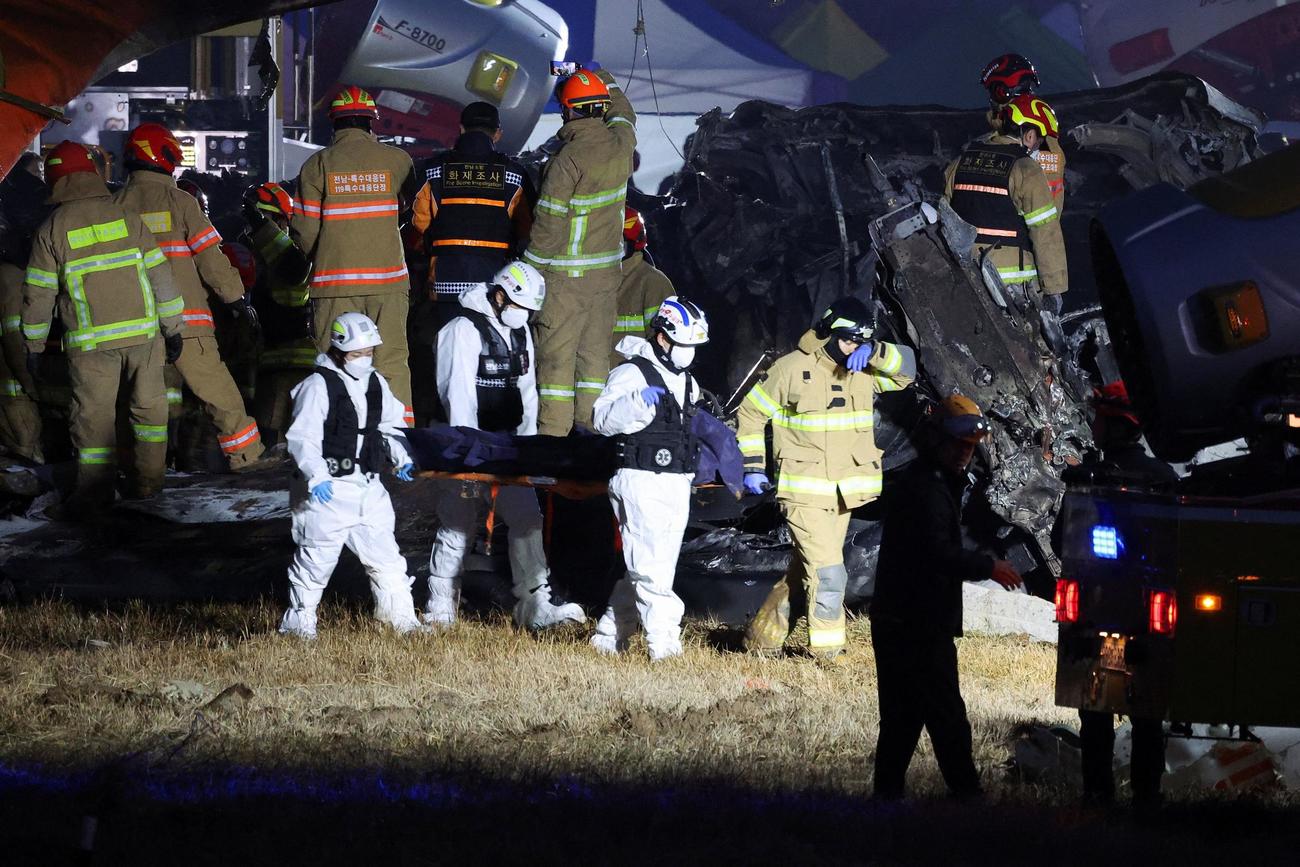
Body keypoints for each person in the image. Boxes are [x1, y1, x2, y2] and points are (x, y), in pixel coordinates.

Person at [739, 297, 916, 660]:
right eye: (849, 339)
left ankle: (760, 640)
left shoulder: (863, 370)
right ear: (829, 332)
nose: (853, 347)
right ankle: (827, 654)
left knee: (805, 572)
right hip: (803, 493)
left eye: (860, 341)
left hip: (841, 493)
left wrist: (874, 352)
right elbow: (752, 412)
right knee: (830, 574)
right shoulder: (790, 369)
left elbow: (907, 370)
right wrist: (753, 465)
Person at [869, 394, 1024, 800]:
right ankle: (968, 797)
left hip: (903, 618)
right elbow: (936, 552)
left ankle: (887, 797)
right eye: (958, 445)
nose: (964, 454)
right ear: (937, 439)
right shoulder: (927, 489)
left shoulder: (933, 483)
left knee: (904, 717)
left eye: (971, 447)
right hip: (915, 623)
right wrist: (988, 566)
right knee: (945, 715)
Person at [21, 141, 185, 512]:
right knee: (148, 413)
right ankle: (148, 485)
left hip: (91, 345)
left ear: (55, 180)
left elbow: (38, 296)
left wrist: (32, 347)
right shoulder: (126, 216)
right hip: (144, 336)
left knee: (94, 421)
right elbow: (161, 275)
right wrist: (173, 327)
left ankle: (94, 494)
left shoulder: (52, 229)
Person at [425, 260, 586, 629]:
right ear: (499, 295)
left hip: (507, 445)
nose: (524, 315)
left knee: (527, 518)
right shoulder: (462, 331)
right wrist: (470, 454)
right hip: (464, 444)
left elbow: (527, 392)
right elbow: (458, 396)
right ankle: (440, 607)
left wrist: (526, 450)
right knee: (458, 522)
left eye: (529, 310)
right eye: (520, 306)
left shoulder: (519, 332)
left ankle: (535, 601)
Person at [114, 123, 269, 471]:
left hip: (135, 327)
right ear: (165, 155)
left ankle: (143, 475)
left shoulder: (114, 206)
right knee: (220, 396)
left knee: (141, 403)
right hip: (188, 325)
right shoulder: (180, 202)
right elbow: (211, 257)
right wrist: (236, 299)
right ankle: (248, 459)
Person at [279, 312, 427, 639]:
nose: (364, 359)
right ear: (339, 352)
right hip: (329, 490)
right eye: (357, 354)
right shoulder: (317, 386)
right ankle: (299, 623)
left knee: (386, 556)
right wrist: (317, 478)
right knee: (316, 559)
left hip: (368, 488)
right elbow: (303, 438)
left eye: (369, 352)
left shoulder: (376, 383)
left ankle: (400, 618)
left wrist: (401, 457)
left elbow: (389, 425)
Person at [590, 296, 712, 661]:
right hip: (639, 479)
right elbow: (602, 421)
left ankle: (609, 635)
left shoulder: (687, 381)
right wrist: (637, 403)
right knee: (650, 569)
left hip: (675, 483)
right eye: (685, 345)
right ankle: (666, 648)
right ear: (663, 338)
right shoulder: (631, 374)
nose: (690, 353)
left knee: (653, 565)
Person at [292, 86, 421, 425]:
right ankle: (399, 440)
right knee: (392, 361)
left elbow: (304, 232)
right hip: (388, 283)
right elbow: (412, 214)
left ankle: (340, 437)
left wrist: (324, 256)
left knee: (335, 363)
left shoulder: (317, 165)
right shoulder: (398, 161)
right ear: (370, 123)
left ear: (334, 124)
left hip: (334, 285)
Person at [524, 66, 636, 435]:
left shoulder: (567, 160)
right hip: (605, 281)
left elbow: (549, 225)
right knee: (593, 365)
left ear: (568, 111)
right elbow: (625, 113)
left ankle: (552, 448)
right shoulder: (622, 144)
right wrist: (599, 74)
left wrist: (528, 271)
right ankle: (592, 442)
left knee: (555, 366)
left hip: (564, 282)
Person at [408, 101, 535, 424]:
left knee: (446, 365)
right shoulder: (515, 176)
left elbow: (417, 227)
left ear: (461, 129)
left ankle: (442, 432)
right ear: (498, 134)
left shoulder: (433, 170)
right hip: (498, 293)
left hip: (446, 288)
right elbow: (527, 231)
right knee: (494, 364)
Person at [1077, 380, 1171, 808]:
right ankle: (1146, 799)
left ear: (1114, 426)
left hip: (1097, 607)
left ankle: (1097, 796)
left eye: (1099, 419)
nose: (1094, 426)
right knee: (1148, 710)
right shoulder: (1163, 478)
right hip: (1151, 613)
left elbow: (1067, 537)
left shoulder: (1090, 479)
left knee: (1094, 708)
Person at [945, 96, 1068, 305]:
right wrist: (1054, 290)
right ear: (1029, 134)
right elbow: (1045, 231)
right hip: (1015, 290)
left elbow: (945, 217)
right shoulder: (1026, 169)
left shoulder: (960, 162)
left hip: (964, 279)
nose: (1038, 146)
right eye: (1039, 140)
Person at [240, 182, 315, 447]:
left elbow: (294, 268)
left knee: (277, 437)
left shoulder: (291, 253)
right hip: (268, 364)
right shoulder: (257, 254)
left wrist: (260, 227)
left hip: (290, 363)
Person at [980, 54, 1067, 211]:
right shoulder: (1036, 120)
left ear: (1002, 91)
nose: (991, 100)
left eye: (994, 91)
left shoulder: (1026, 129)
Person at [610, 205, 673, 362]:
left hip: (631, 381)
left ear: (633, 244)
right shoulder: (597, 280)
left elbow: (664, 348)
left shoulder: (653, 284)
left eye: (618, 244)